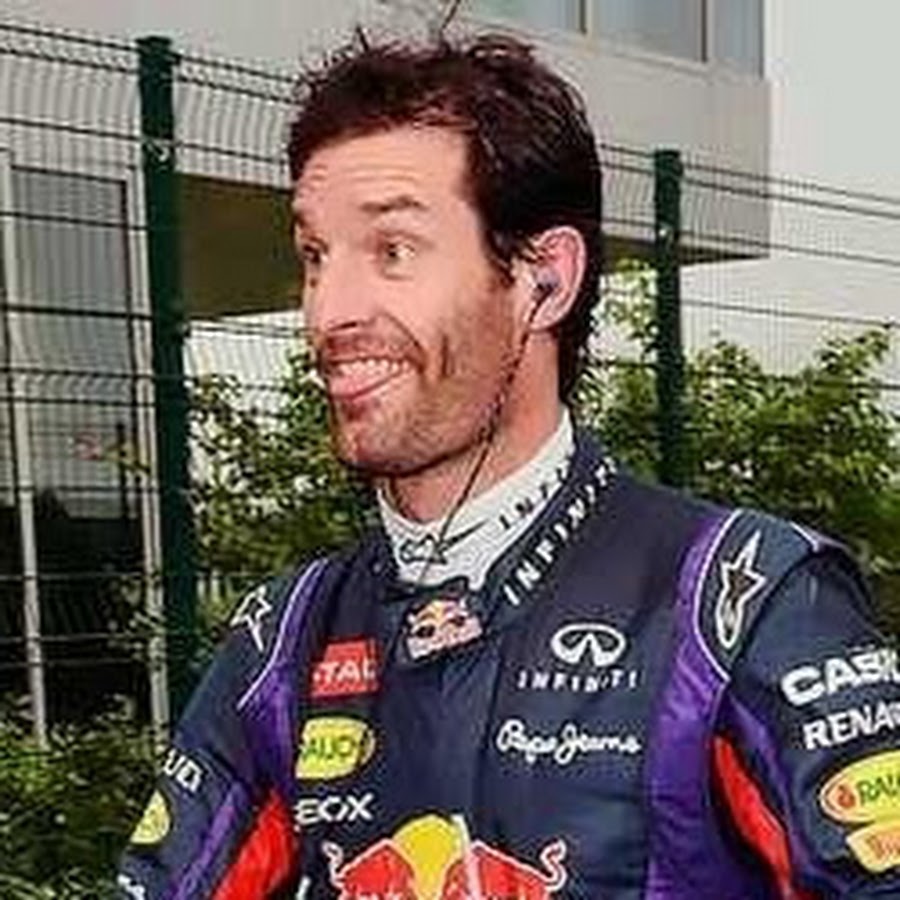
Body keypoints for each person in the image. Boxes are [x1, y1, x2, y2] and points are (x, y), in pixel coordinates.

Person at [118, 32, 900, 900]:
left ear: (544, 280)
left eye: (393, 250)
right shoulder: (283, 639)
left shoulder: (743, 602)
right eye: (314, 256)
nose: (329, 311)